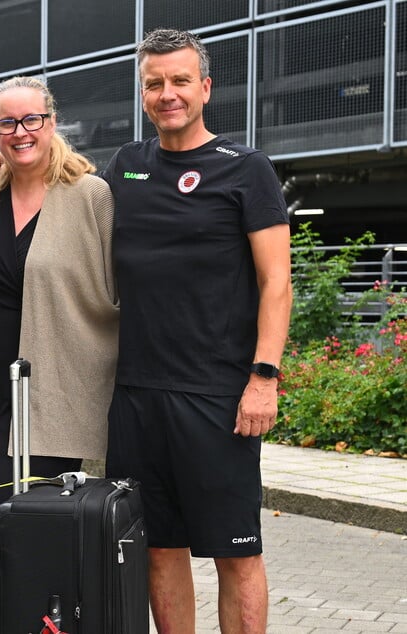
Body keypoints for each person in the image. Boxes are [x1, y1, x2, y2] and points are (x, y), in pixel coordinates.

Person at [102, 29, 292, 633]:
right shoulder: (126, 166)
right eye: (153, 83)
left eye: (180, 81)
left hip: (216, 396)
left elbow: (277, 285)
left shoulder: (245, 170)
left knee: (236, 552)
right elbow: (62, 191)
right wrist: (2, 159)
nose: (167, 94)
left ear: (205, 88)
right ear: (142, 92)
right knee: (159, 547)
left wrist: (264, 377)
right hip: (135, 393)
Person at [0, 76, 120, 632]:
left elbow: (115, 290)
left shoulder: (89, 195)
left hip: (46, 389)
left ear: (52, 123)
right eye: (7, 123)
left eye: (31, 120)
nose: (20, 132)